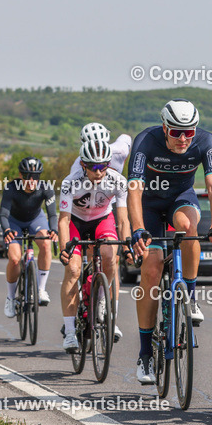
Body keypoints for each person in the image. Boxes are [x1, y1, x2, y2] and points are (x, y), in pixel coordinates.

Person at [127, 99, 212, 384]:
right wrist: (137, 229)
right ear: (164, 128)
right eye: (175, 133)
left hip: (180, 200)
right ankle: (145, 354)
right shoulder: (145, 141)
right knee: (152, 268)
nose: (183, 139)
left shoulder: (206, 141)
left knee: (189, 228)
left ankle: (190, 297)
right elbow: (133, 189)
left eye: (189, 132)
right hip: (148, 205)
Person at [57, 138, 130, 351]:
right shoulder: (71, 182)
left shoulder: (117, 180)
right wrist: (64, 248)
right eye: (93, 167)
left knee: (110, 257)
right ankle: (70, 332)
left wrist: (126, 247)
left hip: (102, 220)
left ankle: (101, 301)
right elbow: (63, 220)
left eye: (103, 166)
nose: (99, 172)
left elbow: (123, 219)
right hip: (76, 223)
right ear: (83, 165)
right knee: (72, 270)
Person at [1, 157, 58, 316]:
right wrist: (6, 230)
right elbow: (4, 215)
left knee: (46, 244)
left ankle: (41, 289)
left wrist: (53, 230)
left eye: (36, 176)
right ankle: (11, 297)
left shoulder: (46, 188)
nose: (31, 180)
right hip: (14, 222)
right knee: (14, 259)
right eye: (27, 176)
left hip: (35, 220)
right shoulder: (11, 188)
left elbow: (52, 214)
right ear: (20, 175)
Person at [68, 122, 132, 175]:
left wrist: (122, 160)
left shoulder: (120, 152)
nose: (97, 152)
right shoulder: (77, 167)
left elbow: (126, 138)